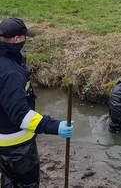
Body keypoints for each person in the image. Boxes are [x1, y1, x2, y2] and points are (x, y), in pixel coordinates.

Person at [0, 17, 74, 188]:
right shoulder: (10, 73)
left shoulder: (7, 60)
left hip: (3, 135)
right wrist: (55, 126)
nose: (26, 41)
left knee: (9, 177)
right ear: (17, 39)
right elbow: (20, 115)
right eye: (25, 37)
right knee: (27, 183)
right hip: (15, 145)